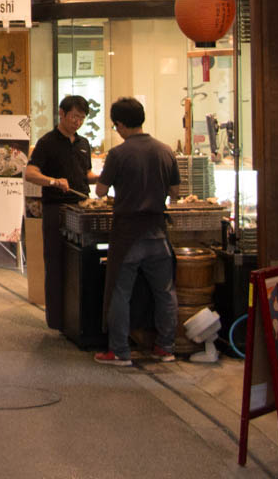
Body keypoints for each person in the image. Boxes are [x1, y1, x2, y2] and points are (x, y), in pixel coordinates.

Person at [95, 96, 181, 367]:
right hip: (158, 232)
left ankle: (120, 351)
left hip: (127, 234)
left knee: (120, 292)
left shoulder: (119, 154)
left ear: (120, 124)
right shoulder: (166, 150)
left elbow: (99, 191)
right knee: (165, 292)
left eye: (115, 125)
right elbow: (176, 193)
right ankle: (166, 347)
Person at [23, 95, 95, 331]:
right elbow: (30, 173)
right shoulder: (47, 142)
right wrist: (53, 181)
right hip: (56, 209)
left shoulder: (84, 143)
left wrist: (109, 176)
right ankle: (55, 320)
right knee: (55, 263)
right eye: (74, 116)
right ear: (61, 114)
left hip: (82, 208)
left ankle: (79, 317)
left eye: (82, 118)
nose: (77, 122)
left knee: (81, 263)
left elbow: (88, 175)